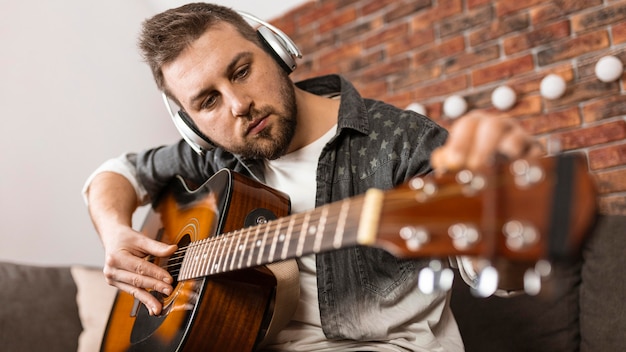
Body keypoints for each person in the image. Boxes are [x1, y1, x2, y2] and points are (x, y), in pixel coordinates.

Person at [83, 3, 542, 351]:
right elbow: (116, 174)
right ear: (191, 126)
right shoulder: (216, 157)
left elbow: (499, 274)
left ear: (277, 51)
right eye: (208, 102)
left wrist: (507, 228)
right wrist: (115, 235)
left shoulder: (403, 142)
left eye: (242, 71)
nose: (238, 105)